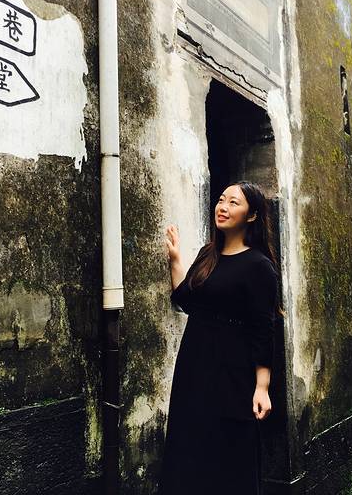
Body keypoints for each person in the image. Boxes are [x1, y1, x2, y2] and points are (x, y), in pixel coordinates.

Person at [157, 181, 280, 495]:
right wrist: (175, 260)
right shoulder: (207, 254)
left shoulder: (259, 266)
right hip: (194, 364)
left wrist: (262, 387)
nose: (223, 207)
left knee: (229, 448)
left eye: (233, 203)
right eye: (221, 200)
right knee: (189, 443)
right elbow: (187, 300)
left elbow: (263, 328)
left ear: (251, 215)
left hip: (232, 370)